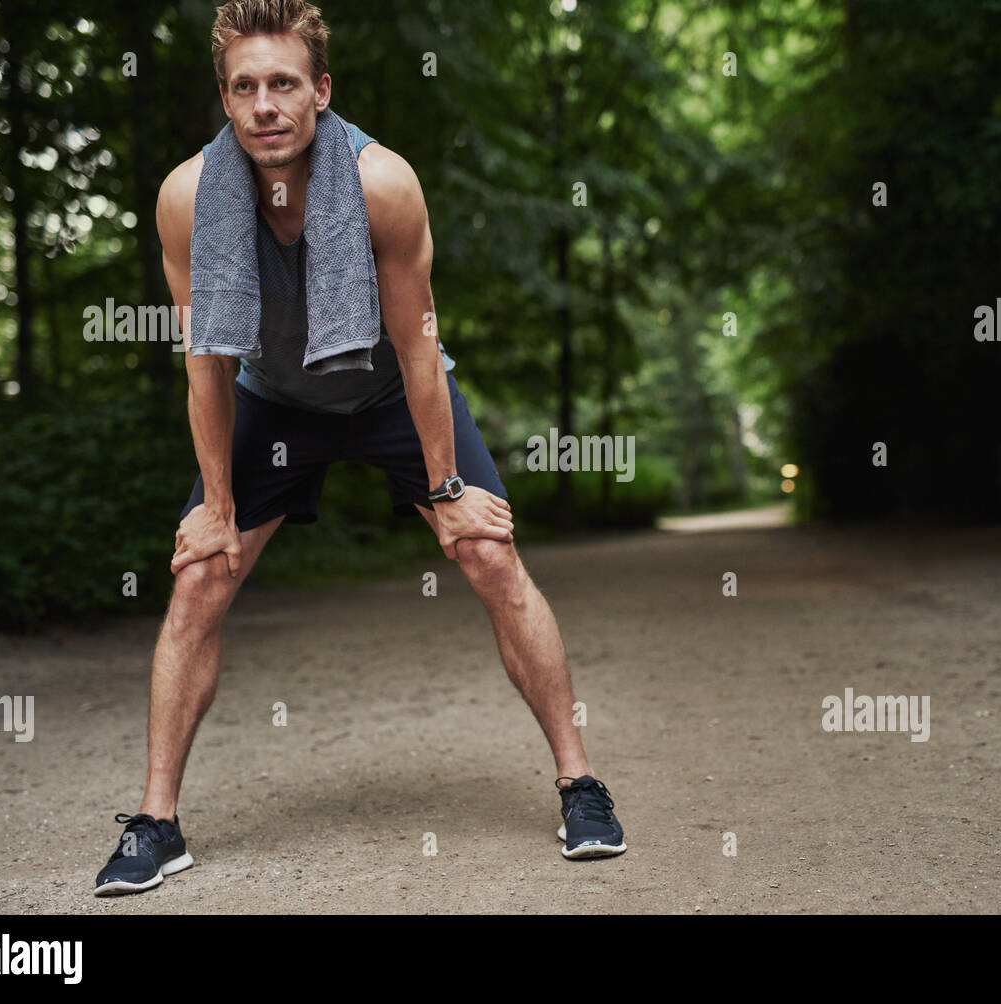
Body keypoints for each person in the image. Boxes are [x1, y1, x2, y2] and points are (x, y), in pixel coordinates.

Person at [94, 0, 624, 897]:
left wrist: (449, 485)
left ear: (322, 91)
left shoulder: (384, 183)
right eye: (246, 86)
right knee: (197, 579)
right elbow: (207, 365)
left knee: (490, 555)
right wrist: (217, 511)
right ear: (224, 100)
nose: (266, 104)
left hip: (385, 385)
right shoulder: (188, 198)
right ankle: (156, 822)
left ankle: (581, 784)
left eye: (285, 84)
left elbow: (418, 345)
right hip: (274, 398)